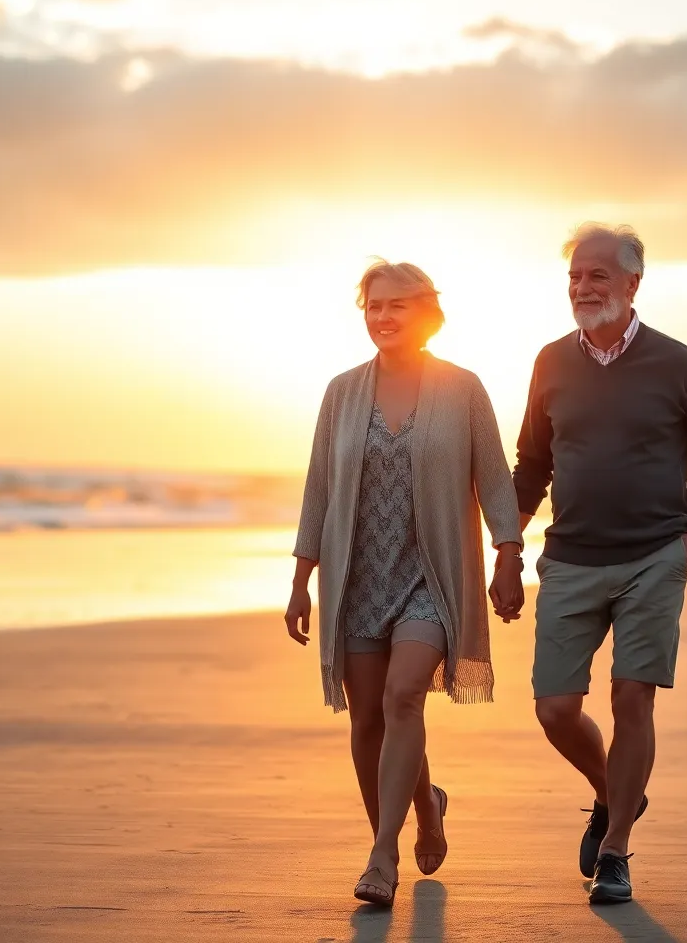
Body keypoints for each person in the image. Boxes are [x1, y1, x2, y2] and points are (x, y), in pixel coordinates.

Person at [509, 223, 687, 904]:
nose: (584, 288)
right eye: (575, 278)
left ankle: (614, 854)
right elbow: (532, 465)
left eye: (598, 277)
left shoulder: (678, 363)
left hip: (655, 557)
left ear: (633, 284)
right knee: (556, 709)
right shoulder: (550, 362)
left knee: (630, 697)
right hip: (570, 559)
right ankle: (612, 797)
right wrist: (505, 549)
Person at [285, 258, 524, 907]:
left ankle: (382, 856)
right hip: (356, 575)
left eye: (397, 306)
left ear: (426, 314)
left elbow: (495, 479)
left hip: (432, 574)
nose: (383, 317)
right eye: (373, 306)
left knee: (402, 697)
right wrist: (302, 576)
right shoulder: (341, 393)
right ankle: (425, 802)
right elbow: (318, 489)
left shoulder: (464, 389)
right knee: (367, 719)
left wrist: (508, 551)